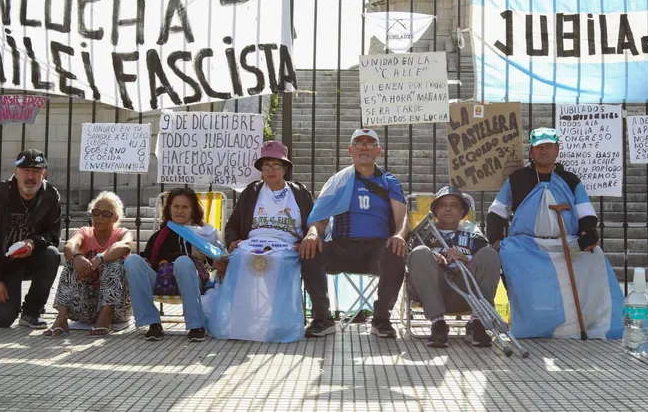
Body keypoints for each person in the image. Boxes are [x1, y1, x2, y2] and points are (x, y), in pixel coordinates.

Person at [486, 127, 623, 339]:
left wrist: (588, 232)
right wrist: (495, 238)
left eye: (549, 146)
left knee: (595, 257)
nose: (544, 151)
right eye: (539, 147)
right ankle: (530, 322)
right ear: (531, 152)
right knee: (509, 253)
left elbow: (585, 210)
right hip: (527, 245)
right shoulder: (517, 178)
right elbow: (497, 211)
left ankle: (589, 320)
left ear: (557, 150)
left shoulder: (570, 180)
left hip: (565, 242)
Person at [300, 128, 408, 339]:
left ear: (378, 150)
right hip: (342, 247)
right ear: (350, 150)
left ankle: (381, 318)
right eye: (359, 143)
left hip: (376, 250)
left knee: (396, 253)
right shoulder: (339, 180)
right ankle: (322, 318)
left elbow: (402, 217)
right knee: (311, 251)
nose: (364, 147)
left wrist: (400, 235)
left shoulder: (390, 181)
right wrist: (312, 233)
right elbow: (320, 216)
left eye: (370, 143)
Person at [209, 141, 313, 342]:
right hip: (253, 243)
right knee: (239, 258)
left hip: (287, 245)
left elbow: (313, 223)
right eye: (266, 165)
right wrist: (232, 241)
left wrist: (307, 240)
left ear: (285, 169)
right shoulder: (252, 191)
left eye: (276, 165)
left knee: (281, 261)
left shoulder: (299, 192)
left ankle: (280, 325)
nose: (271, 170)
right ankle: (238, 323)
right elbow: (231, 226)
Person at [0, 149, 62, 329]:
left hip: (31, 259)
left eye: (36, 171)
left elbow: (52, 235)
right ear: (16, 172)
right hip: (2, 265)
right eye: (26, 171)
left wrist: (33, 242)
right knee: (4, 319)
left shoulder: (50, 197)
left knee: (52, 255)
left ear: (44, 174)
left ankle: (31, 312)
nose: (30, 176)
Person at [408, 186, 501, 348]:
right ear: (436, 211)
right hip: (432, 291)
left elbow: (486, 261)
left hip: (466, 292)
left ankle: (477, 323)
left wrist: (465, 258)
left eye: (454, 205)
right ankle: (438, 324)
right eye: (443, 205)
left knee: (490, 254)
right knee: (419, 252)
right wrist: (431, 257)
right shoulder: (424, 232)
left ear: (462, 212)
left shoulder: (473, 232)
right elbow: (408, 259)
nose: (448, 209)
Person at [124, 188, 219, 342]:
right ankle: (153, 323)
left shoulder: (203, 234)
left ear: (193, 210)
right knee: (132, 261)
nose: (179, 211)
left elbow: (216, 261)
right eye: (175, 206)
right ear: (169, 209)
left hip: (191, 281)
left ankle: (196, 325)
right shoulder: (160, 235)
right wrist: (146, 262)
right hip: (162, 281)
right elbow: (147, 259)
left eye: (185, 207)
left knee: (183, 262)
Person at [44, 192, 133, 337]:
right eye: (96, 213)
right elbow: (70, 246)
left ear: (115, 218)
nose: (99, 218)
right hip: (86, 307)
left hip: (117, 308)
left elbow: (126, 246)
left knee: (114, 262)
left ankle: (105, 318)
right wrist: (78, 256)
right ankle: (61, 318)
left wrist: (100, 258)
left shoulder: (121, 233)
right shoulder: (85, 232)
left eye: (105, 214)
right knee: (71, 262)